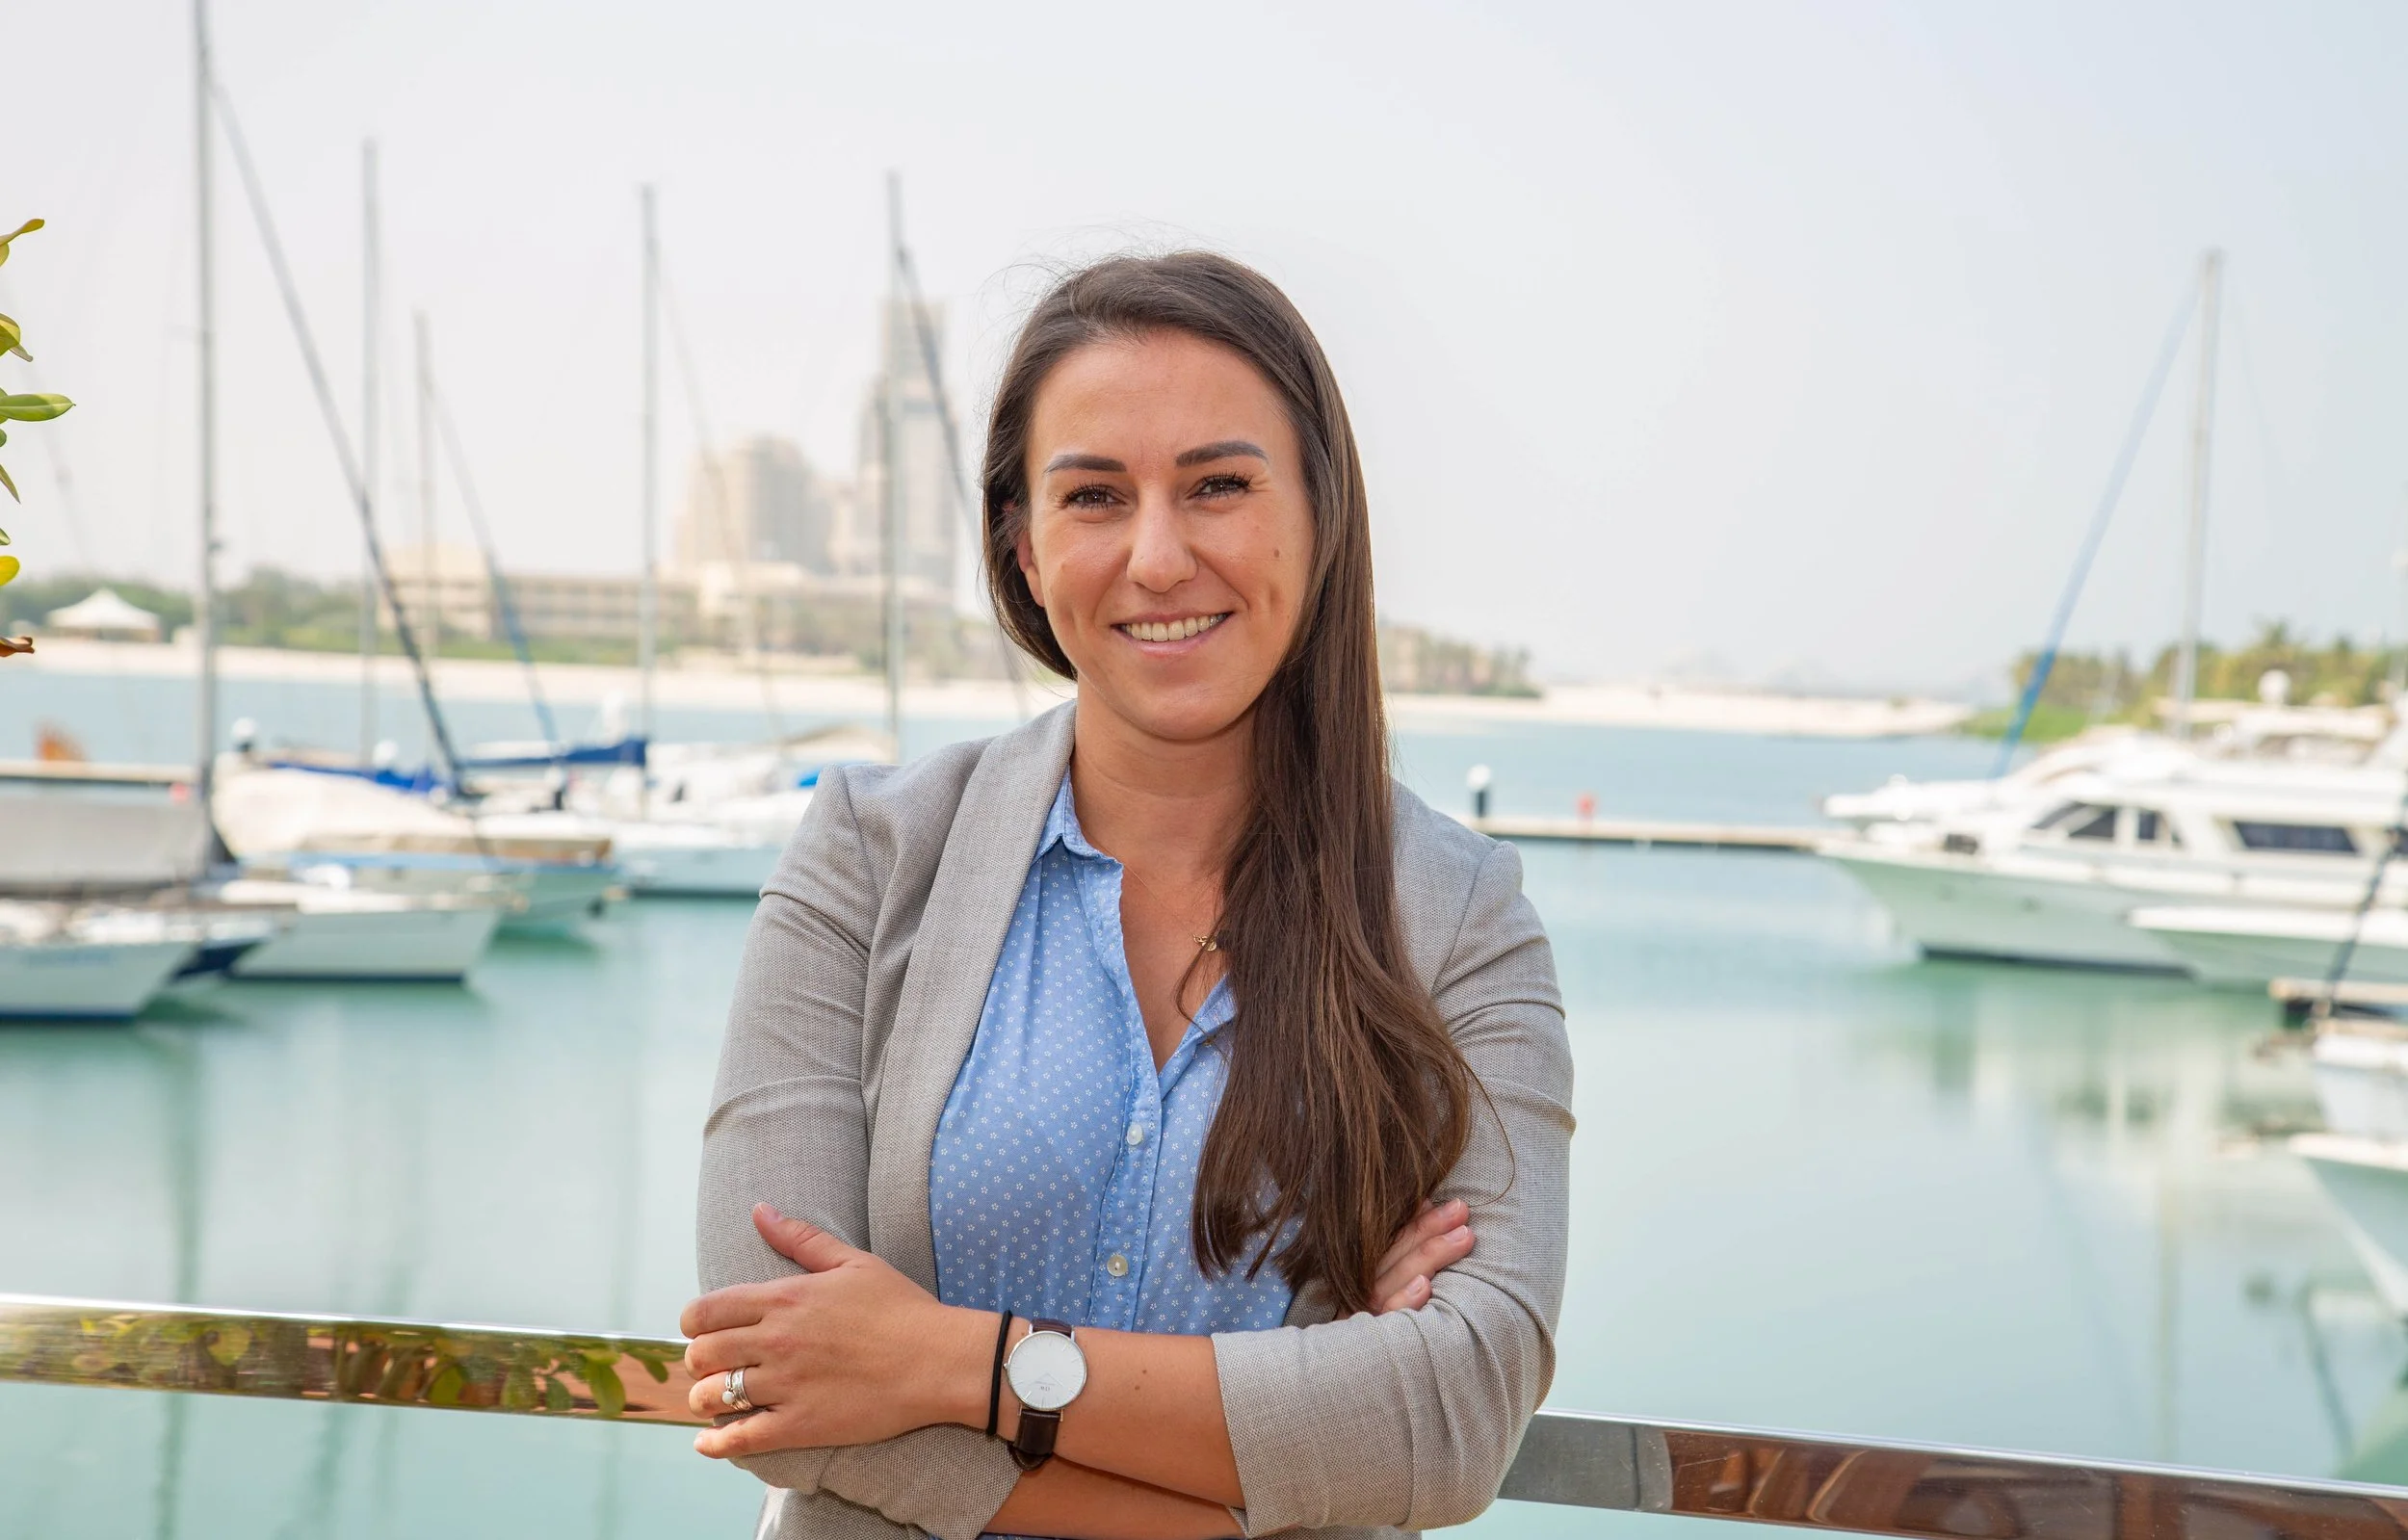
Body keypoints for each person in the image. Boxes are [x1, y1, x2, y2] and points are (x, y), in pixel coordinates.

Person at [683, 251, 1572, 1540]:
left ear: (1320, 518)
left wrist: (954, 1362)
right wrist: (1272, 1483)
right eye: (1094, 495)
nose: (1159, 557)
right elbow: (778, 1375)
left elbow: (1456, 1414)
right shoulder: (868, 858)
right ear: (1023, 545)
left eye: (1218, 485)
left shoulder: (1462, 920)